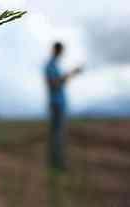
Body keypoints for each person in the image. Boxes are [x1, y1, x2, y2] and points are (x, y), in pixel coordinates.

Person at [45, 42, 82, 171]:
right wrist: (70, 73)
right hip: (57, 104)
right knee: (58, 135)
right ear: (56, 50)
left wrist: (71, 74)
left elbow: (60, 82)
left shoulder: (54, 65)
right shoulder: (50, 65)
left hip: (58, 104)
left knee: (57, 134)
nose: (61, 54)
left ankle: (55, 163)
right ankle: (57, 164)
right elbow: (54, 84)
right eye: (60, 51)